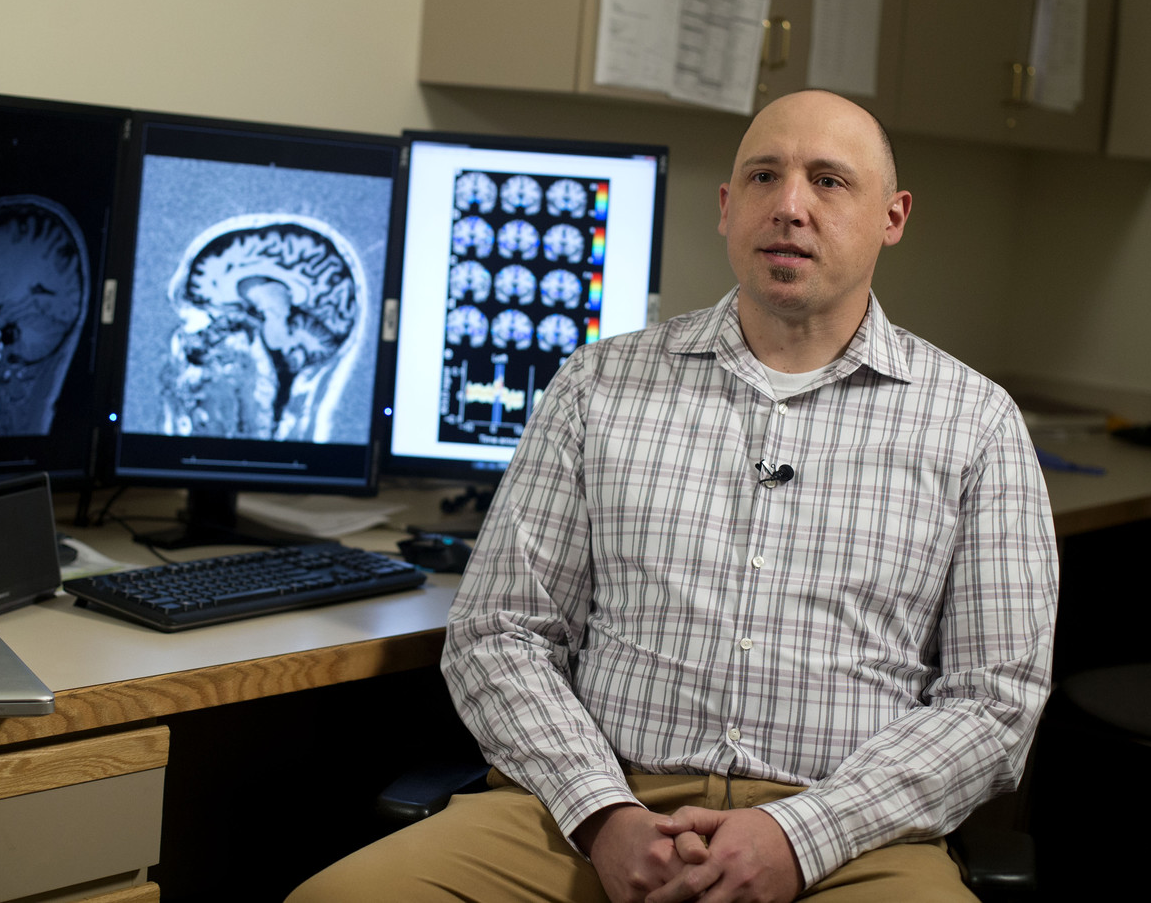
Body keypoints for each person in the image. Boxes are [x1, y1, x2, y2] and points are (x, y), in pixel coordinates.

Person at [289, 89, 1058, 902]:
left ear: (893, 217)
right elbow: (498, 632)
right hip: (590, 811)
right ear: (727, 208)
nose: (790, 207)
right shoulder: (599, 385)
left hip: (852, 838)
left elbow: (993, 703)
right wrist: (602, 816)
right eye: (765, 177)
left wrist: (804, 836)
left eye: (829, 182)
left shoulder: (975, 424)